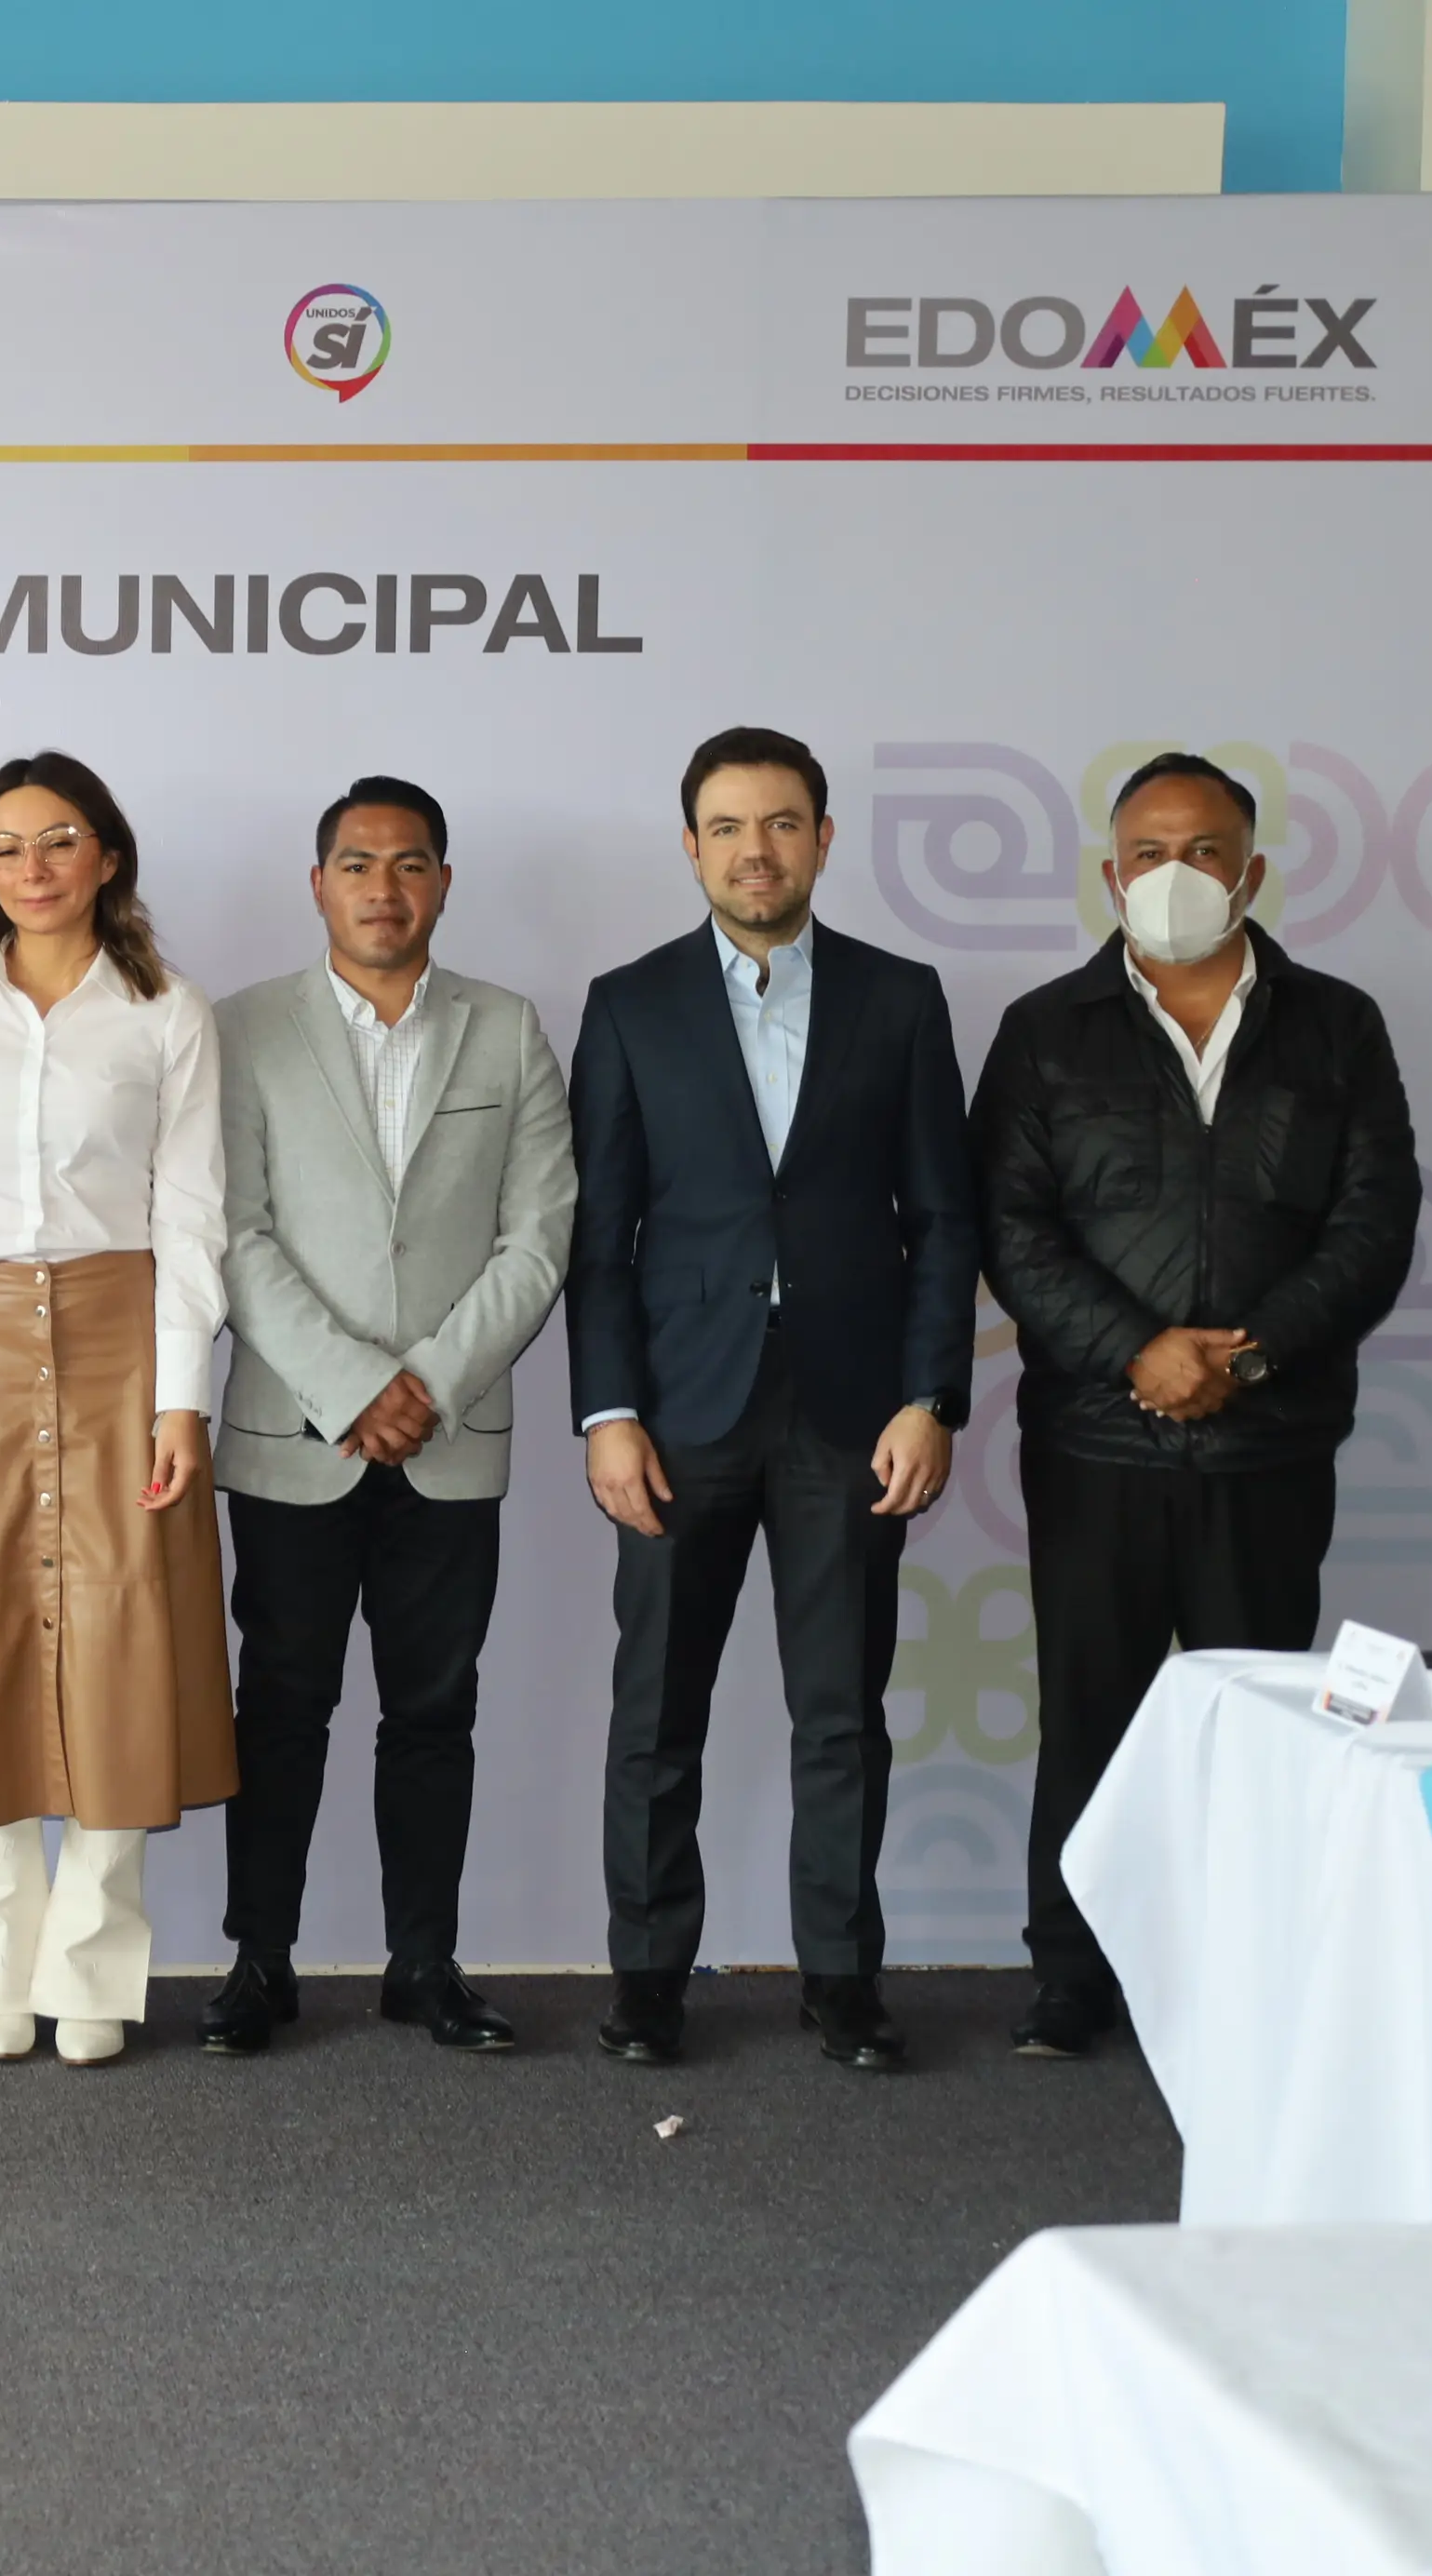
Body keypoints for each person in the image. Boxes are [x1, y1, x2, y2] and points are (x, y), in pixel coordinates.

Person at [973, 751, 1418, 2059]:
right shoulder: (1046, 1030)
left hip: (1268, 1444)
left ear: (1251, 871)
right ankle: (1073, 1977)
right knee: (1091, 1718)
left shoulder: (1336, 1027)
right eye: (1151, 853)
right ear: (1113, 877)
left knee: (1259, 1727)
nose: (1178, 874)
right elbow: (1012, 1226)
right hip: (1096, 1443)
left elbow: (1372, 1225)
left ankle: (1246, 1982)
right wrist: (1136, 1353)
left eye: (1206, 850)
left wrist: (1249, 1359)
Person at [569, 725, 978, 2072]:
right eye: (732, 827)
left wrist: (931, 1398)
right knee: (656, 1713)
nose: (759, 850)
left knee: (842, 1713)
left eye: (784, 823)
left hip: (853, 1412)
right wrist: (607, 1411)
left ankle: (842, 1979)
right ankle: (647, 1978)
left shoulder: (901, 998)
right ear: (693, 847)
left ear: (824, 839)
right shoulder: (629, 1004)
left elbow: (944, 1220)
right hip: (678, 1411)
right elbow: (601, 1238)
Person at [0, 752, 232, 2069]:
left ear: (107, 855)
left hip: (124, 1339)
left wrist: (181, 1398)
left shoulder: (169, 1010)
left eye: (60, 840)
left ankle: (92, 1970)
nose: (34, 868)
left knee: (126, 1642)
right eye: (6, 847)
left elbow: (193, 1213)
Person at [205, 775, 575, 2059]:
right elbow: (234, 1234)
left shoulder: (508, 1030)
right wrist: (356, 1386)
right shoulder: (243, 1029)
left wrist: (430, 1381)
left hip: (449, 1441)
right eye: (357, 865)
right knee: (281, 1706)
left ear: (443, 884)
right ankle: (260, 1961)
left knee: (433, 1712)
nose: (383, 888)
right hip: (294, 1439)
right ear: (319, 885)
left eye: (410, 864)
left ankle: (425, 1964)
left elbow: (540, 1238)